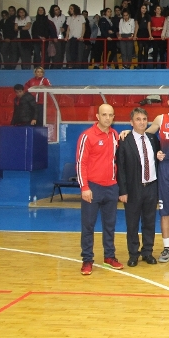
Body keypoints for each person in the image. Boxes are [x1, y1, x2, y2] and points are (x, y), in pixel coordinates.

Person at [124, 89, 169, 263]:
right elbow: (144, 133)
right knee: (165, 210)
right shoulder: (161, 119)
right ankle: (167, 247)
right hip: (166, 168)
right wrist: (127, 132)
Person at [76, 104, 123, 275]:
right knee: (88, 226)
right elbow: (81, 163)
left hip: (111, 188)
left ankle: (109, 256)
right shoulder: (87, 136)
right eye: (104, 114)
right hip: (92, 188)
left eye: (110, 115)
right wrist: (84, 187)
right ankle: (87, 260)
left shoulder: (115, 135)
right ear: (97, 116)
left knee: (109, 225)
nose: (107, 118)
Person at [117, 108, 162, 267]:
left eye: (144, 119)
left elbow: (159, 158)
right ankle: (133, 254)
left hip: (151, 186)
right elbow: (120, 167)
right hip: (133, 188)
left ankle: (147, 252)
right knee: (132, 223)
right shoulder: (124, 140)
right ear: (131, 122)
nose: (142, 122)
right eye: (138, 119)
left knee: (149, 222)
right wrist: (122, 191)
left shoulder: (152, 139)